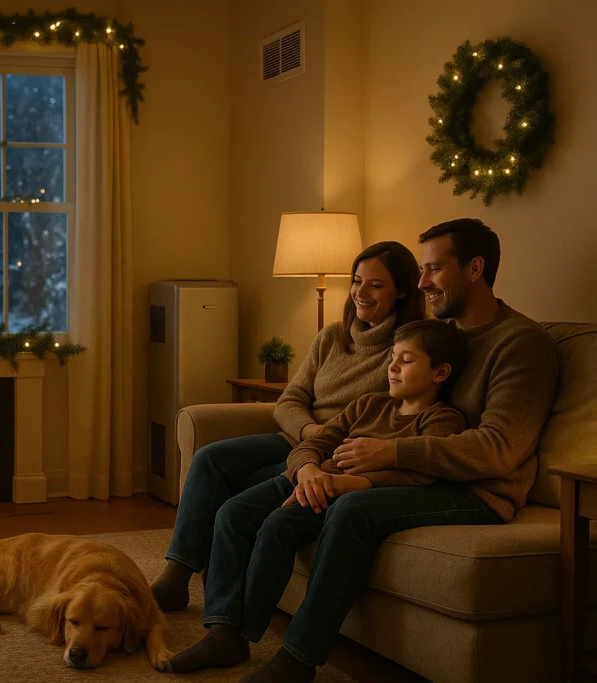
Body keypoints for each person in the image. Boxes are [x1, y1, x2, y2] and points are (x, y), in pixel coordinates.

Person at [237, 218, 558, 683]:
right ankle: (234, 628)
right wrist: (313, 463)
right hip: (415, 478)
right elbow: (375, 407)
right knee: (283, 503)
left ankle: (299, 659)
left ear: (475, 268)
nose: (422, 282)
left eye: (433, 270)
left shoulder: (520, 344)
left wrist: (390, 455)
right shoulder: (433, 335)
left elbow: (498, 450)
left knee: (354, 509)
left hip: (477, 492)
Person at [168, 318, 469, 675]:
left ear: (440, 372)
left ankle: (241, 633)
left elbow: (420, 473)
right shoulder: (368, 405)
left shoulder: (441, 421)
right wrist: (307, 470)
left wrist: (345, 483)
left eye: (406, 360)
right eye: (392, 357)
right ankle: (222, 629)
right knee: (232, 514)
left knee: (278, 524)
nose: (391, 367)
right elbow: (313, 443)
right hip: (310, 477)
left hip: (337, 492)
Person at [151, 241, 425, 612]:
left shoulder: (407, 350)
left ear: (403, 290)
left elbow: (396, 417)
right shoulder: (332, 336)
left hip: (336, 454)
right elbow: (290, 400)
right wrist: (309, 432)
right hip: (301, 437)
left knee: (245, 485)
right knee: (210, 458)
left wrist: (322, 444)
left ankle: (226, 609)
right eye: (357, 281)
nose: (360, 293)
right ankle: (178, 574)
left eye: (376, 285)